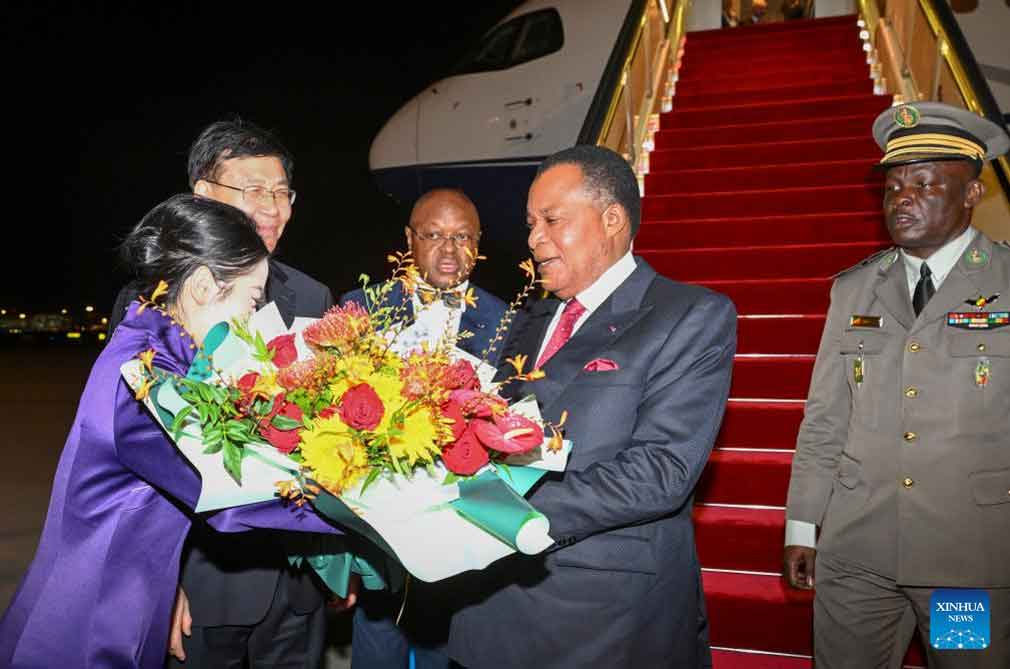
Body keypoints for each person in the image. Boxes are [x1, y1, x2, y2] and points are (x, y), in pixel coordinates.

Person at [0, 195, 341, 668]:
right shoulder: (144, 378)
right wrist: (355, 511)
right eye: (252, 299)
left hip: (126, 598)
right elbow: (225, 498)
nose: (253, 317)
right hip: (89, 619)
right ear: (202, 286)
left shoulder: (164, 350)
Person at [444, 145, 737, 668]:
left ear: (612, 220)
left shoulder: (689, 315)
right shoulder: (525, 319)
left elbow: (661, 472)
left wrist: (498, 512)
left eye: (552, 220)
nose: (534, 238)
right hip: (492, 608)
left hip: (605, 619)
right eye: (531, 224)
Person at [784, 102, 1010, 668]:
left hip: (967, 560)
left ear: (971, 193)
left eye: (925, 184)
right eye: (893, 187)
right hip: (857, 553)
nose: (903, 198)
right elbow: (825, 416)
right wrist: (802, 525)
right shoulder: (855, 289)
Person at [108, 119, 335, 669]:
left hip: (298, 587)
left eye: (282, 192)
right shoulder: (153, 305)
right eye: (254, 190)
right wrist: (159, 581)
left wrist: (341, 560)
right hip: (203, 586)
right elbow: (135, 461)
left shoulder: (313, 296)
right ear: (204, 195)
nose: (273, 208)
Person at [341, 188, 507, 669]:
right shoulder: (363, 308)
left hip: (460, 527)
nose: (449, 250)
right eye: (434, 236)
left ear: (479, 243)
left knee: (446, 651)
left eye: (463, 237)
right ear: (409, 239)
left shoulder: (506, 321)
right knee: (377, 648)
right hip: (377, 526)